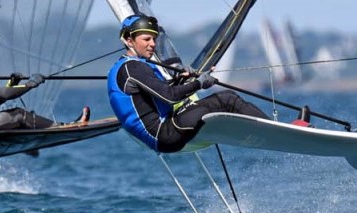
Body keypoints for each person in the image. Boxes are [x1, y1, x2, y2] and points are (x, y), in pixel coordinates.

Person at [108, 14, 268, 153]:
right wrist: (199, 83)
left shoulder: (128, 65)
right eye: (146, 39)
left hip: (165, 131)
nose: (153, 44)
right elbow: (170, 97)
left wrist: (182, 79)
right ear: (129, 41)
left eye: (155, 39)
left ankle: (256, 134)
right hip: (164, 134)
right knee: (227, 100)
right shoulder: (132, 67)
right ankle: (271, 129)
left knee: (220, 108)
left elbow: (160, 92)